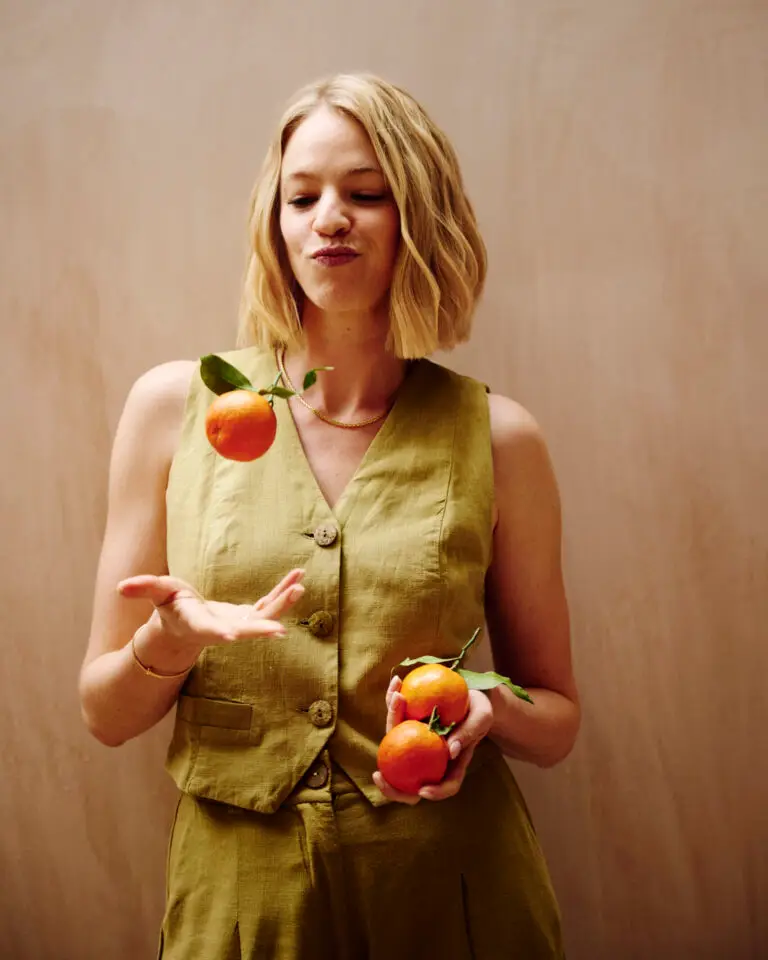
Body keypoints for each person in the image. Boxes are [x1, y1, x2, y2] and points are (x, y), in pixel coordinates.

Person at [79, 73, 580, 960]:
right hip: (241, 902)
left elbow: (558, 714)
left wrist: (488, 708)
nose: (330, 218)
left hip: (453, 895)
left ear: (416, 215)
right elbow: (105, 713)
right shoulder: (172, 409)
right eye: (302, 196)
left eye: (365, 193)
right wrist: (173, 641)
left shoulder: (502, 438)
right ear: (275, 223)